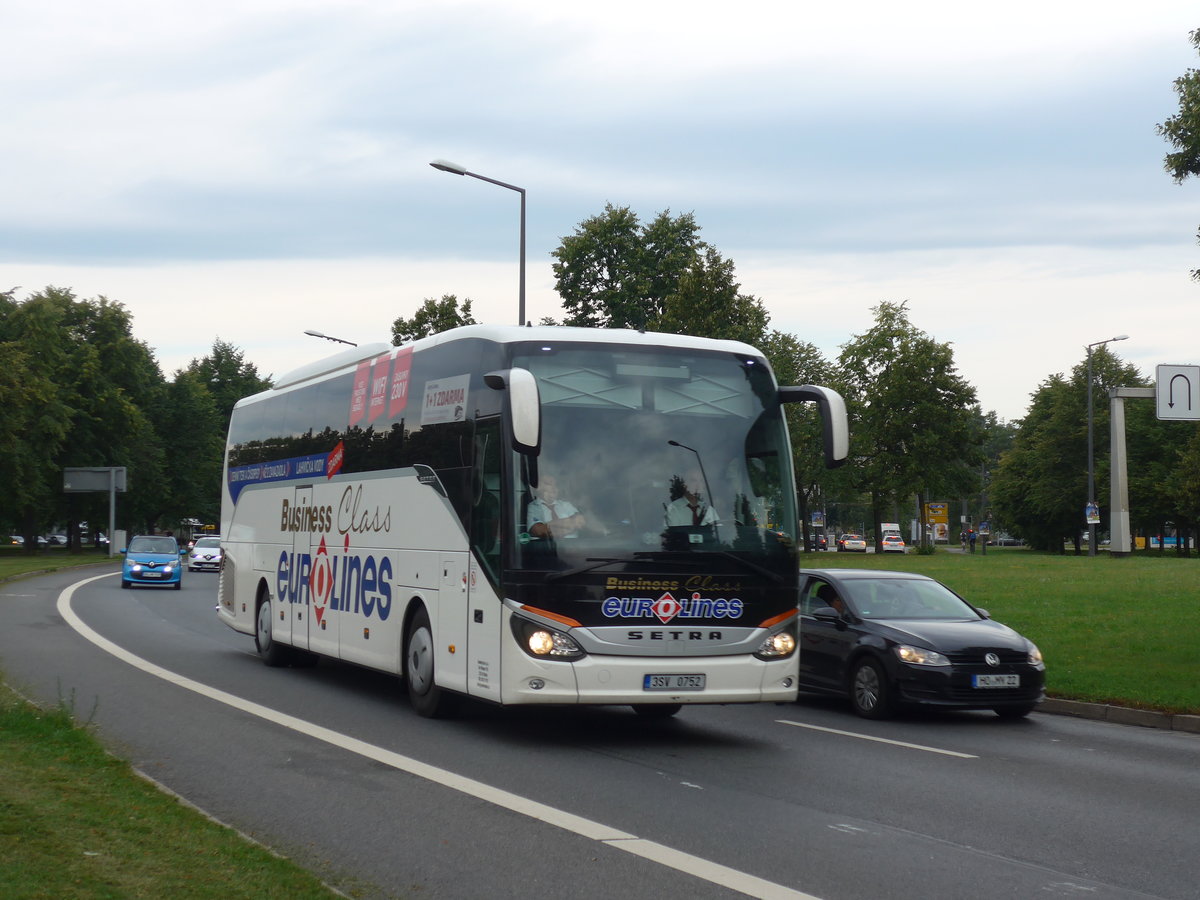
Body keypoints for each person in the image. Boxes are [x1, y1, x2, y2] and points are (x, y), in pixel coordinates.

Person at [527, 475, 586, 539]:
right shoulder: (534, 507)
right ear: (538, 488)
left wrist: (549, 526)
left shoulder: (566, 505)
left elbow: (580, 522)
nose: (554, 488)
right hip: (546, 547)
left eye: (556, 485)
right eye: (549, 484)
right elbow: (538, 531)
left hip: (572, 546)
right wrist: (569, 523)